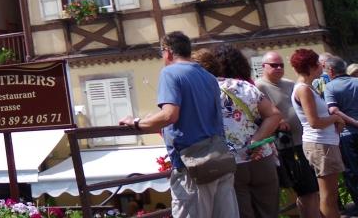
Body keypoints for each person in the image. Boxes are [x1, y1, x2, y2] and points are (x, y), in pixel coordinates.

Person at [120, 31, 236, 218]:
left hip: (192, 165)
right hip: (219, 159)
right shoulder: (209, 77)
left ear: (167, 51)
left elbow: (169, 115)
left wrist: (137, 122)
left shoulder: (170, 73)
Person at [193, 45, 282, 218]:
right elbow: (274, 115)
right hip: (261, 157)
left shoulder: (199, 93)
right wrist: (256, 140)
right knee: (269, 212)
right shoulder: (243, 85)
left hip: (230, 164)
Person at [260, 50, 321, 218]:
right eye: (274, 65)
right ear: (263, 66)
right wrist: (278, 121)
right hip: (286, 146)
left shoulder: (290, 83)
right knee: (305, 189)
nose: (279, 68)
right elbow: (259, 114)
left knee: (312, 189)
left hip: (304, 141)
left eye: (281, 65)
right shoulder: (259, 87)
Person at [292, 48, 346, 218]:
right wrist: (335, 118)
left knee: (330, 195)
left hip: (325, 144)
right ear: (310, 66)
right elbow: (314, 122)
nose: (321, 65)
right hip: (321, 145)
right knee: (329, 196)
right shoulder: (304, 89)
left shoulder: (308, 87)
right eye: (317, 63)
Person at [322, 55, 358, 215]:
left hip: (347, 135)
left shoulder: (330, 87)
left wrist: (354, 122)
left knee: (353, 172)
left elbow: (333, 110)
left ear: (331, 70)